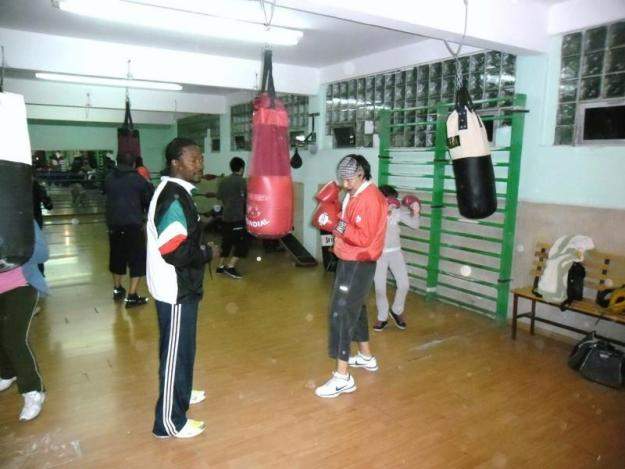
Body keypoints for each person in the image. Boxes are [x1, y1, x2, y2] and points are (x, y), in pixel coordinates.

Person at [147, 137, 217, 439]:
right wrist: (206, 253)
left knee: (183, 348)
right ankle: (169, 422)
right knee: (176, 353)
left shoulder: (178, 193)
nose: (199, 164)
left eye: (201, 159)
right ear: (175, 163)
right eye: (193, 159)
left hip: (180, 287)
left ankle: (182, 392)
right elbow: (173, 250)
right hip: (174, 289)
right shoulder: (174, 197)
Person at [311, 154, 387, 398]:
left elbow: (363, 237)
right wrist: (336, 215)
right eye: (342, 179)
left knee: (341, 313)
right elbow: (348, 224)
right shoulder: (355, 193)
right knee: (357, 308)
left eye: (349, 180)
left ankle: (342, 378)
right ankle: (366, 356)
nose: (345, 184)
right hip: (351, 259)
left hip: (358, 262)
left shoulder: (370, 199)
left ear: (361, 174)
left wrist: (336, 224)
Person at [0, 222, 48, 421]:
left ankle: (33, 390)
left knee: (13, 338)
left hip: (21, 286)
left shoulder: (16, 213)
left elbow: (42, 253)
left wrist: (12, 249)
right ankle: (7, 373)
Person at [104, 152, 153, 307]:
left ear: (117, 162)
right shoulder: (137, 179)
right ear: (133, 164)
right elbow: (149, 198)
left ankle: (117, 289)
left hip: (114, 225)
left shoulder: (109, 177)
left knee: (116, 256)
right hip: (133, 225)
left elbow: (106, 193)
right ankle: (132, 296)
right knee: (137, 259)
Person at [374, 186, 421, 331]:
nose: (393, 202)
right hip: (379, 254)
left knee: (404, 285)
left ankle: (396, 311)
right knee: (380, 288)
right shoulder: (372, 212)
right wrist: (384, 213)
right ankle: (382, 317)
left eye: (394, 199)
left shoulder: (397, 212)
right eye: (390, 199)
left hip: (396, 253)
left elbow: (415, 225)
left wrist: (415, 211)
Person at [216, 157, 247, 279]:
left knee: (226, 243)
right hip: (237, 218)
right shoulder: (241, 181)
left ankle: (220, 266)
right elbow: (247, 197)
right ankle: (230, 267)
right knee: (243, 243)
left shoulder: (224, 181)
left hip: (226, 217)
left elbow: (219, 196)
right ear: (241, 168)